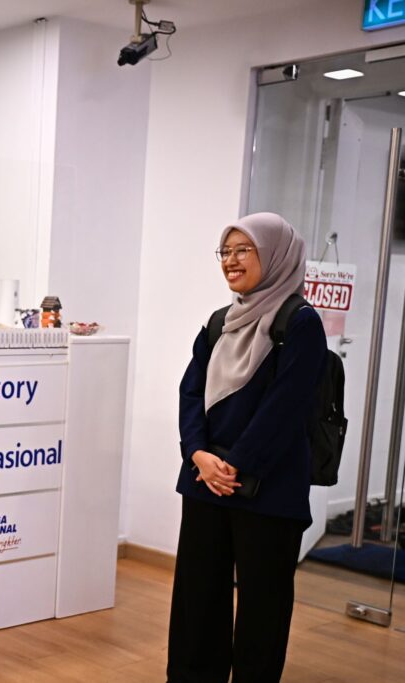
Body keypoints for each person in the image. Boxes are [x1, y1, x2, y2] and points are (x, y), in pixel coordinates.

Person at [168, 212, 326, 683]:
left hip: (268, 490)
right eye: (226, 251)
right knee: (198, 602)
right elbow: (191, 391)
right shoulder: (220, 322)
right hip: (205, 481)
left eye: (244, 250)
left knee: (262, 608)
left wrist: (234, 464)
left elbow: (285, 407)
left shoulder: (301, 323)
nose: (231, 261)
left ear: (275, 255)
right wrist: (197, 453)